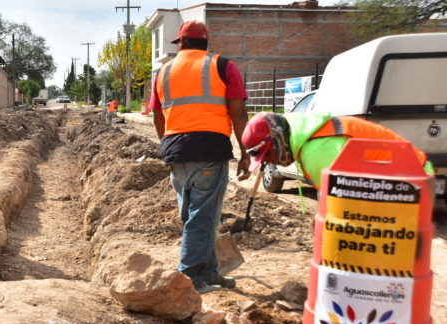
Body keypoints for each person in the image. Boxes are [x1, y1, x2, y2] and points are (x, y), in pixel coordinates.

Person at [150, 20, 250, 294]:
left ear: (180, 43)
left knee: (195, 217)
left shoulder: (163, 72)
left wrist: (167, 145)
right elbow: (239, 113)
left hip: (175, 150)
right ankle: (189, 279)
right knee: (202, 218)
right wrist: (245, 151)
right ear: (206, 43)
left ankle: (209, 272)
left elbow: (157, 115)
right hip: (209, 150)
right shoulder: (223, 66)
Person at [243, 111, 432, 191]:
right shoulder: (313, 136)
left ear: (278, 138)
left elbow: (347, 206)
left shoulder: (317, 151)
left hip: (410, 182)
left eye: (267, 154)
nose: (271, 162)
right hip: (406, 178)